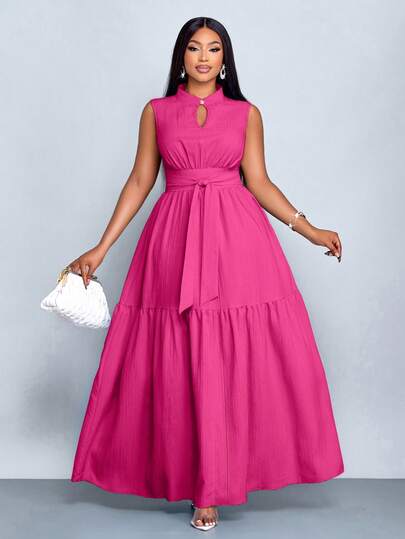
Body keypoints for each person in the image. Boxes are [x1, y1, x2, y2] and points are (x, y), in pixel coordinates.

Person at [69, 17, 344, 532]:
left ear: (225, 59)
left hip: (237, 241)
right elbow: (140, 180)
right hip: (173, 240)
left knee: (224, 355)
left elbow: (259, 181)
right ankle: (198, 483)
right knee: (181, 355)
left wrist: (309, 230)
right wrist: (102, 248)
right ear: (181, 56)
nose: (203, 57)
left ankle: (212, 488)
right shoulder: (156, 112)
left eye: (213, 49)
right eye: (194, 48)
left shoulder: (246, 113)